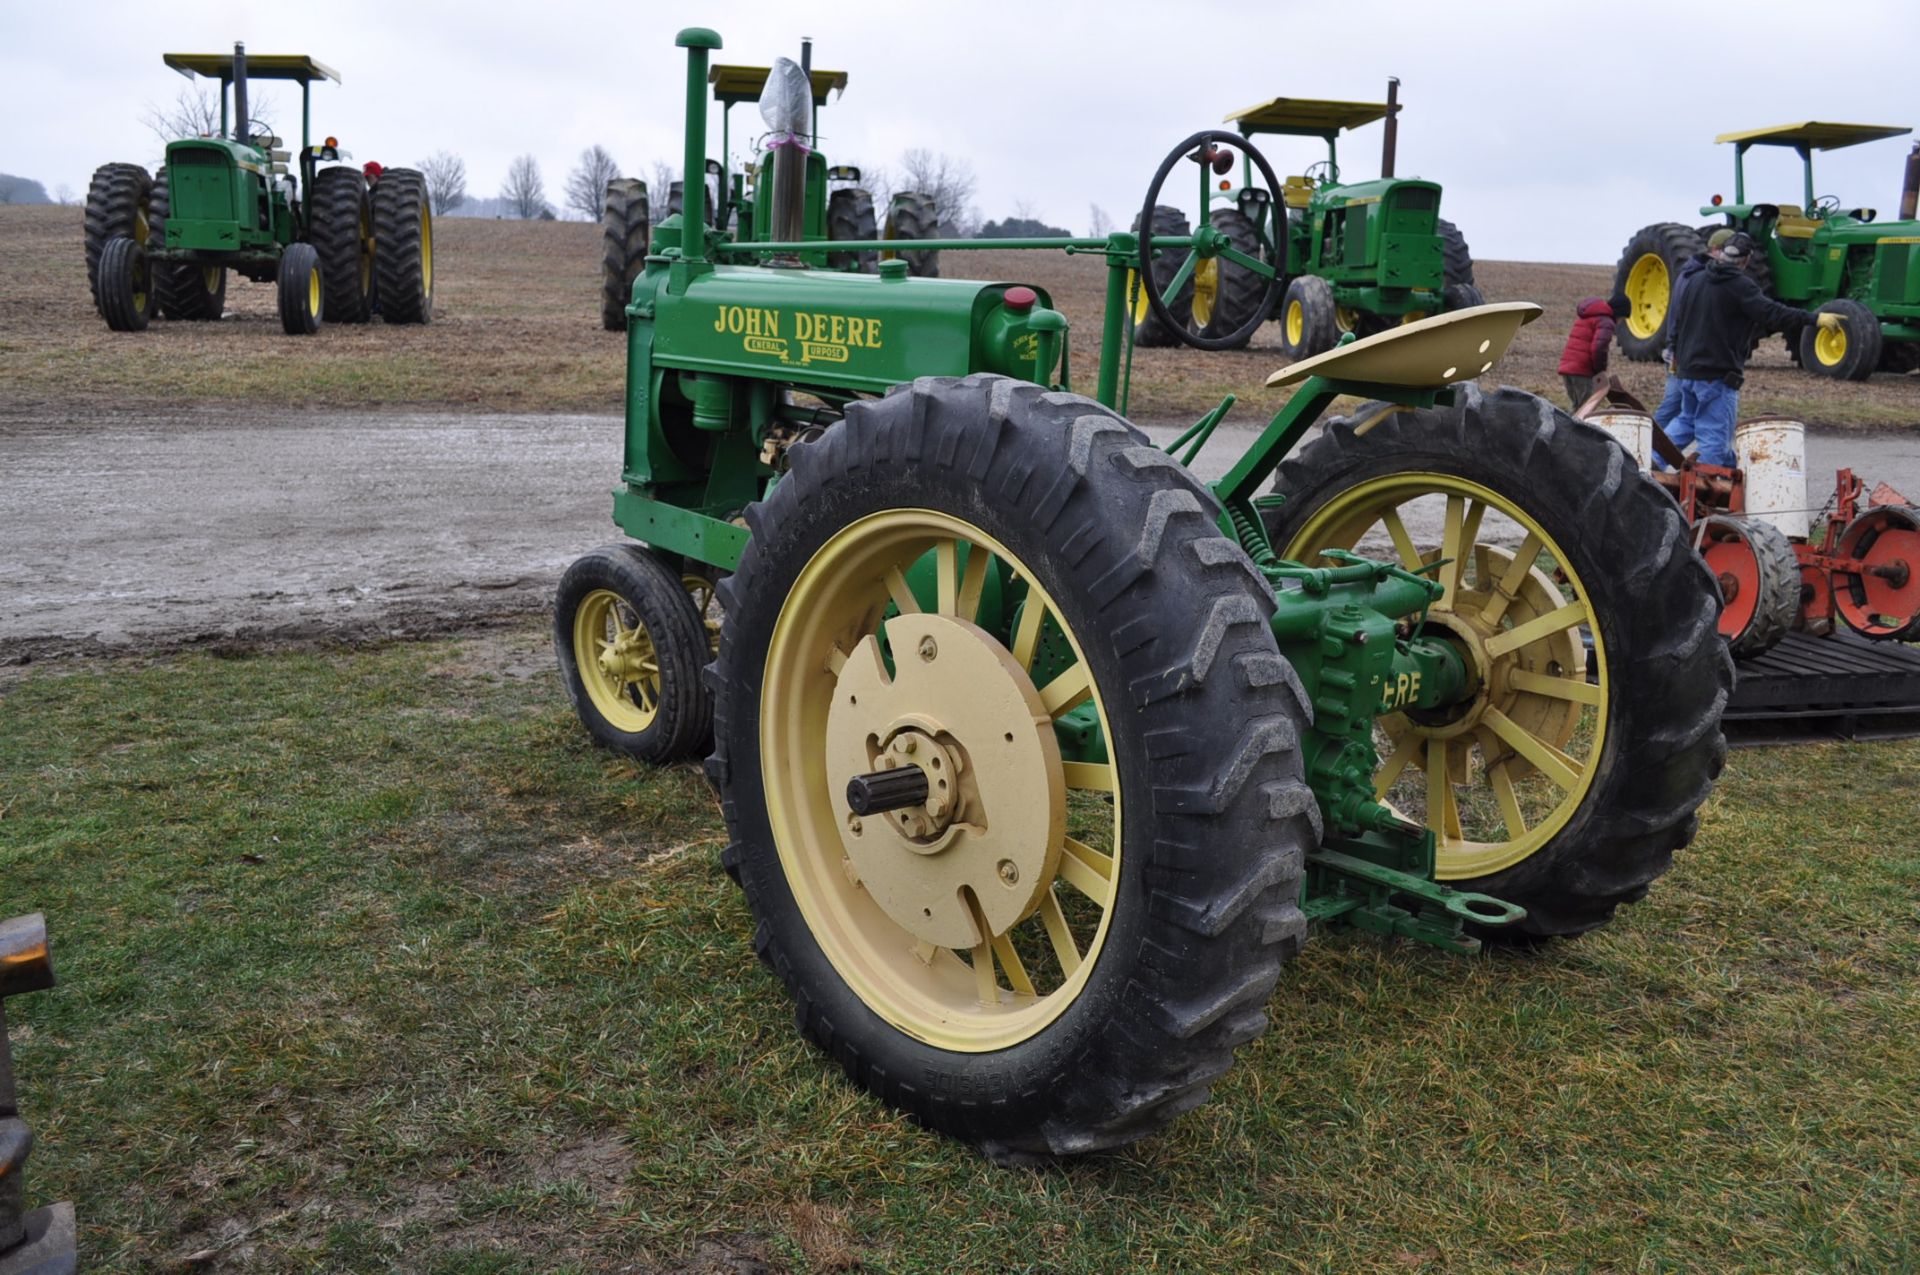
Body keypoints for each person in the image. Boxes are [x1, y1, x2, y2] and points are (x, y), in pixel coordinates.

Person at [1666, 231, 1842, 467]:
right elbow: (1772, 314)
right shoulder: (1740, 286)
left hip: (1687, 372)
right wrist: (1814, 319)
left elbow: (1678, 319)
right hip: (1715, 375)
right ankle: (1704, 492)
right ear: (1747, 259)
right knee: (1714, 440)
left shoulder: (1696, 279)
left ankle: (1650, 461)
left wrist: (1675, 352)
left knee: (1685, 422)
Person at [1652, 228, 1732, 441]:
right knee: (1674, 406)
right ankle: (1646, 447)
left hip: (1681, 349)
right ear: (1715, 249)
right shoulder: (1698, 277)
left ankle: (1652, 449)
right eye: (1727, 250)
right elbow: (1682, 316)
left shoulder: (1689, 273)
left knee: (1680, 408)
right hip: (1683, 351)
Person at [1557, 296, 1616, 408]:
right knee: (1586, 410)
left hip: (1567, 367)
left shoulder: (1586, 317)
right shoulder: (1606, 322)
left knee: (1577, 408)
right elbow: (1599, 348)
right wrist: (1600, 370)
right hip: (1582, 371)